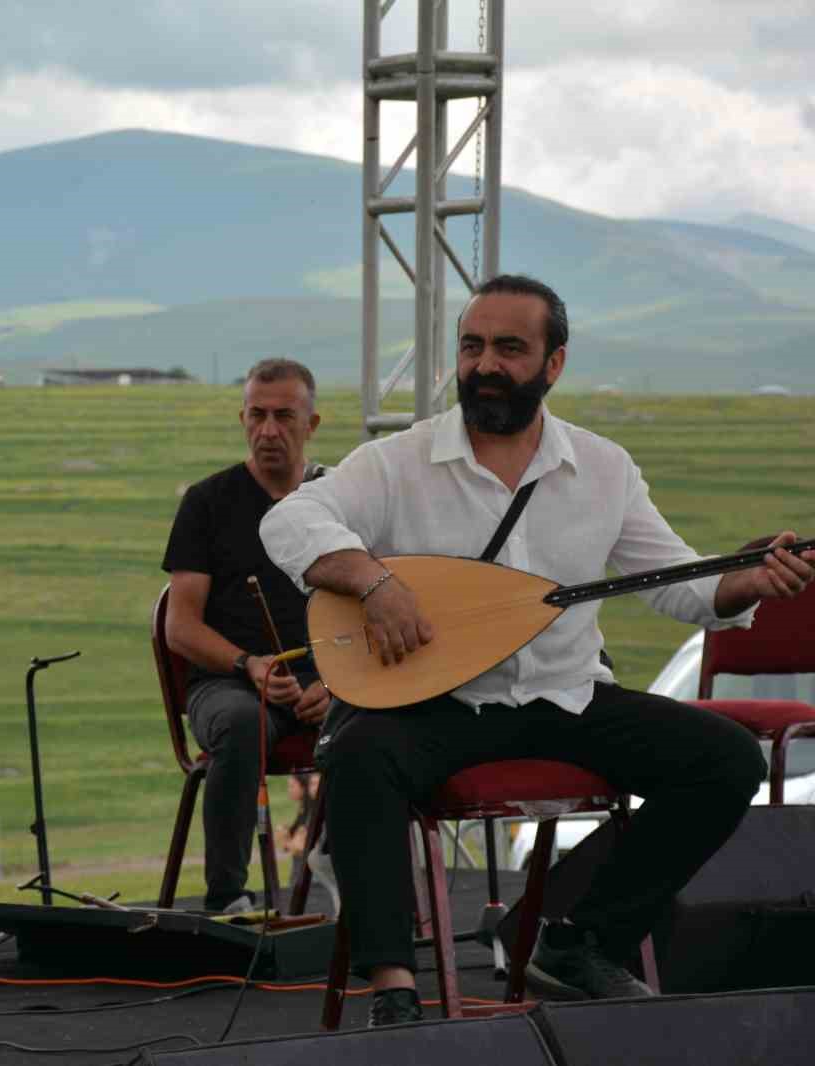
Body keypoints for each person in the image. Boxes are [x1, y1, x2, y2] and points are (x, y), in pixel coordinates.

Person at [260, 274, 813, 1027]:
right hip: (439, 705)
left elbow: (679, 591)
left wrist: (747, 583)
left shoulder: (604, 468)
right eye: (473, 346)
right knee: (360, 756)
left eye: (510, 348)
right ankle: (392, 982)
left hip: (567, 696)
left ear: (554, 364)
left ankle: (581, 940)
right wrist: (374, 581)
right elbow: (289, 524)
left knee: (726, 760)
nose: (486, 365)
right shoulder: (399, 461)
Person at [161, 358, 332, 914]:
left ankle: (360, 879)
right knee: (241, 723)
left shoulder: (342, 500)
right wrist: (249, 666)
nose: (268, 430)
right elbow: (180, 626)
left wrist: (340, 686)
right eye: (256, 415)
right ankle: (228, 899)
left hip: (332, 682)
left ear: (313, 424)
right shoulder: (208, 504)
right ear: (242, 418)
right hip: (228, 683)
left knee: (388, 718)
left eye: (284, 416)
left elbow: (378, 608)